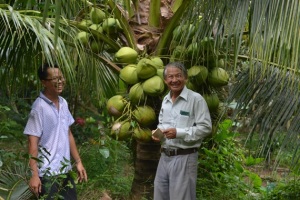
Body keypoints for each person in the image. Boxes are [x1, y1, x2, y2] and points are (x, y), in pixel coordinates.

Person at [24, 63, 87, 199]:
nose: (60, 82)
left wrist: (78, 162)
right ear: (44, 82)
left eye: (61, 78)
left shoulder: (63, 103)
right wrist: (34, 175)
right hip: (47, 175)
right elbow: (32, 142)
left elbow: (68, 133)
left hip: (65, 171)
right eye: (55, 79)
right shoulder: (39, 107)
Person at [152, 62, 212, 200]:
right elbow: (163, 124)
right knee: (160, 196)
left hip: (185, 157)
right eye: (170, 77)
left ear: (186, 78)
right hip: (164, 157)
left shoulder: (195, 99)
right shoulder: (166, 100)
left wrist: (179, 133)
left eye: (178, 76)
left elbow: (206, 127)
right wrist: (158, 133)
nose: (174, 80)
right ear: (165, 80)